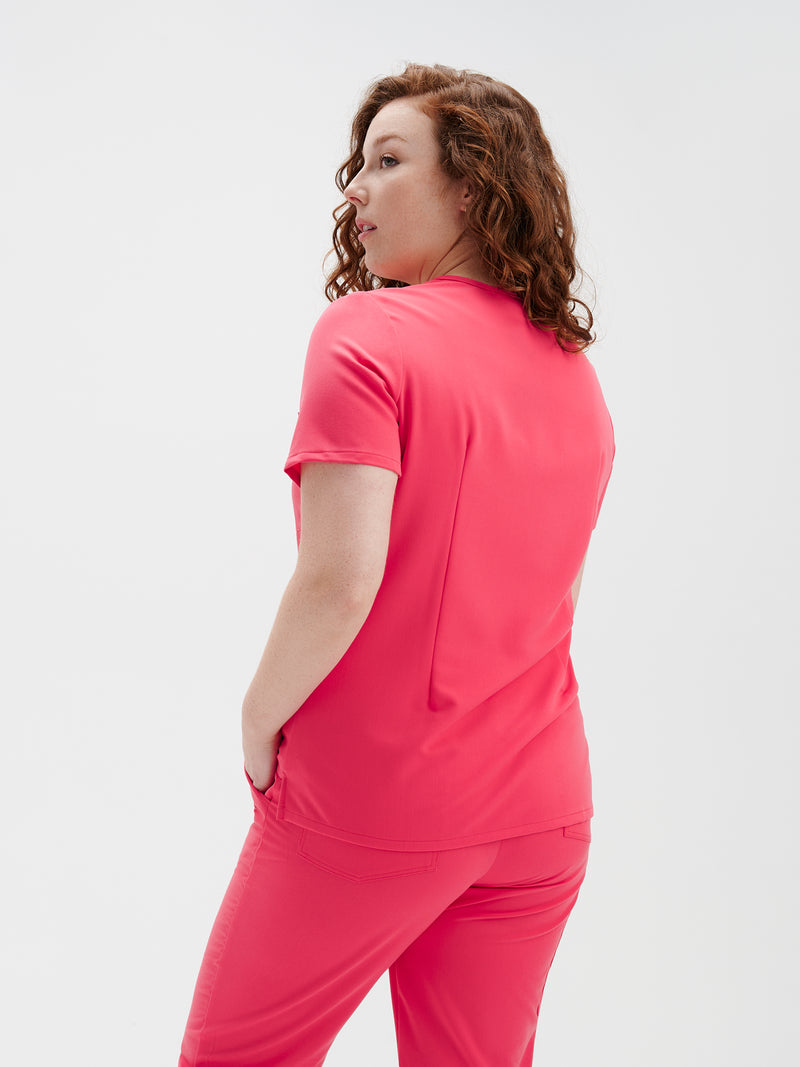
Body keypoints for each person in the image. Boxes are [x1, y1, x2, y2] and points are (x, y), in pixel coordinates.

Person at [178, 62, 614, 1066]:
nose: (355, 192)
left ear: (472, 184)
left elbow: (340, 578)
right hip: (541, 807)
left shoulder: (367, 332)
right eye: (356, 166)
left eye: (386, 161)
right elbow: (548, 598)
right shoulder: (571, 369)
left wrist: (257, 721)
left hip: (376, 799)